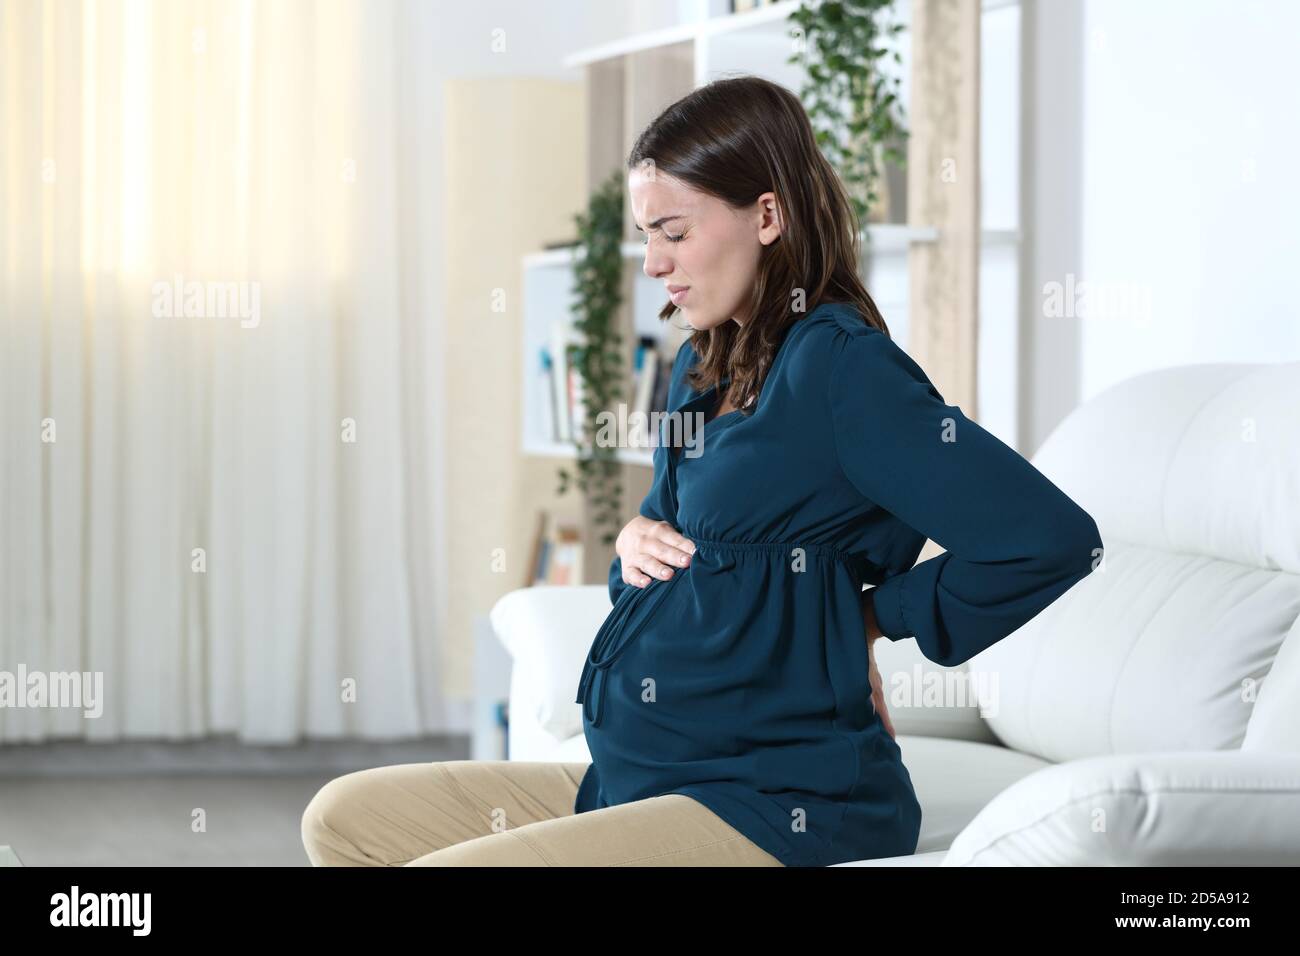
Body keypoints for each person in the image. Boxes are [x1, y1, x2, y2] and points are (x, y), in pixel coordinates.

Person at [301, 75, 1104, 867]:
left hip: (776, 803)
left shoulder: (842, 370)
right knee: (344, 820)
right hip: (638, 781)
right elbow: (651, 569)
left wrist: (871, 615)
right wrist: (631, 540)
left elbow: (1049, 539)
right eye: (647, 235)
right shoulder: (698, 367)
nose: (651, 263)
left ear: (767, 215)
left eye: (673, 233)